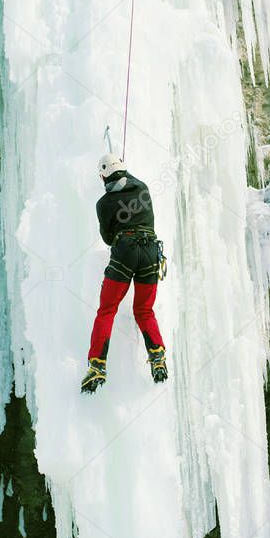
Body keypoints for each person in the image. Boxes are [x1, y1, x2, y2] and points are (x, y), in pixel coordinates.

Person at [80, 154, 168, 394]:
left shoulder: (104, 203)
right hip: (150, 251)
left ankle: (97, 364)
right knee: (144, 310)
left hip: (125, 251)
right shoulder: (144, 189)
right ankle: (157, 355)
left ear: (103, 176)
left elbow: (108, 239)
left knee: (107, 309)